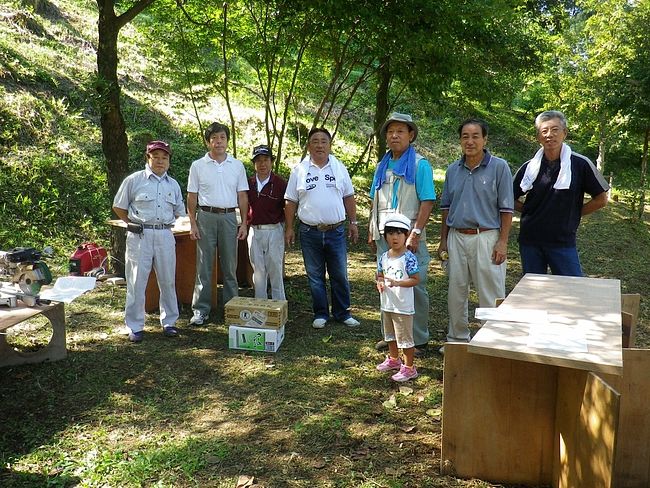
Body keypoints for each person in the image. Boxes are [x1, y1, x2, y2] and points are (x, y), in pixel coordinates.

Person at [438, 118, 514, 345]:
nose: (470, 141)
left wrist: (503, 241)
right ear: (460, 140)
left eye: (475, 136)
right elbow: (446, 207)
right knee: (456, 293)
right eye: (465, 137)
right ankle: (457, 340)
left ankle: (491, 342)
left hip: (487, 236)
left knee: (490, 292)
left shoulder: (499, 167)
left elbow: (507, 208)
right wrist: (443, 240)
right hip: (457, 236)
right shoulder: (453, 170)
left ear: (484, 139)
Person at [368, 113, 435, 356]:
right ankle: (392, 338)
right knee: (386, 283)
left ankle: (417, 339)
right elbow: (375, 200)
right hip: (384, 238)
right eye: (390, 131)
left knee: (414, 285)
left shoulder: (419, 165)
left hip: (409, 238)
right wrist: (372, 229)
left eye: (400, 131)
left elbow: (427, 201)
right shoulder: (382, 165)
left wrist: (415, 233)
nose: (394, 136)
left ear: (411, 135)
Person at [513, 110, 609, 276]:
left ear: (565, 133)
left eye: (555, 129)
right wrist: (529, 210)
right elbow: (508, 197)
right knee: (534, 289)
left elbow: (601, 199)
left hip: (562, 241)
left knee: (572, 287)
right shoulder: (529, 167)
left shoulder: (580, 164)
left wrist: (573, 213)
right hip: (530, 240)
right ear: (538, 137)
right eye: (544, 131)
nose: (549, 135)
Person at [284, 127, 360, 329]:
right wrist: (289, 228)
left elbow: (348, 196)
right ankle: (321, 314)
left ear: (330, 145)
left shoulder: (339, 168)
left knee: (339, 274)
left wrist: (353, 223)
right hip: (309, 232)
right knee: (315, 276)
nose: (319, 145)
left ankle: (342, 313)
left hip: (336, 231)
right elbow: (290, 201)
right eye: (315, 141)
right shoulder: (299, 170)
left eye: (323, 141)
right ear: (309, 146)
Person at [112, 140, 186, 342]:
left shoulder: (173, 185)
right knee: (136, 281)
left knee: (168, 280)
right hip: (139, 235)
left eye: (164, 158)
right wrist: (131, 223)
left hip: (164, 235)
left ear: (169, 161)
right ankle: (135, 326)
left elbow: (179, 211)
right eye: (156, 157)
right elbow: (119, 206)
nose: (160, 161)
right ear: (148, 158)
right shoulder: (134, 180)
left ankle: (169, 322)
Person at [187, 122, 249, 325]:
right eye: (214, 138)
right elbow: (192, 196)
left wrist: (244, 223)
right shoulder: (198, 165)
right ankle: (201, 310)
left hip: (230, 217)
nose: (218, 141)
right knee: (204, 266)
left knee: (230, 266)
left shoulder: (237, 165)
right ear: (208, 142)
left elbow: (242, 196)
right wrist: (193, 223)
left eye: (222, 137)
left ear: (227, 141)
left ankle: (231, 309)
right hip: (206, 216)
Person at [375, 213, 420, 382]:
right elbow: (380, 275)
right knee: (390, 335)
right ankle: (394, 359)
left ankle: (409, 367)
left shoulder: (408, 258)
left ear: (406, 235)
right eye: (391, 233)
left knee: (405, 337)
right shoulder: (384, 257)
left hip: (403, 305)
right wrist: (380, 283)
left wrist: (398, 283)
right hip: (387, 303)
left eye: (399, 233)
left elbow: (415, 279)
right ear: (385, 236)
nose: (395, 237)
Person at [247, 144, 287, 300]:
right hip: (254, 230)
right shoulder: (248, 184)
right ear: (254, 164)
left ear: (271, 161)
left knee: (275, 269)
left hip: (274, 230)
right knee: (258, 271)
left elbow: (288, 207)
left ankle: (279, 306)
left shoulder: (280, 184)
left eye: (266, 160)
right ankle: (260, 306)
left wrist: (288, 229)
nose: (262, 164)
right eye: (258, 161)